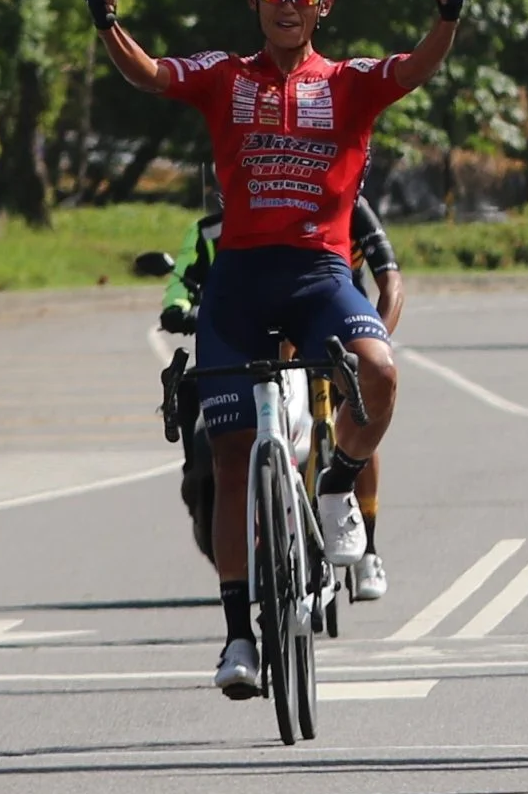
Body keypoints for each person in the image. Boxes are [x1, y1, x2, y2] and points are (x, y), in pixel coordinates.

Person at [91, 0, 466, 697]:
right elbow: (152, 74)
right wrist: (106, 25)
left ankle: (338, 488)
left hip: (319, 274)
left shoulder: (351, 82)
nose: (286, 7)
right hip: (238, 281)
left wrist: (448, 16)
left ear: (322, 7)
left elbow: (417, 68)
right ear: (256, 1)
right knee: (229, 459)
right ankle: (237, 636)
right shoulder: (224, 75)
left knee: (380, 370)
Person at [162, 189, 405, 599]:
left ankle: (369, 550)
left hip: (337, 330)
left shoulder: (349, 206)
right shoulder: (208, 231)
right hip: (267, 333)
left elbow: (391, 284)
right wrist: (179, 310)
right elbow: (179, 286)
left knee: (358, 409)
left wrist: (376, 338)